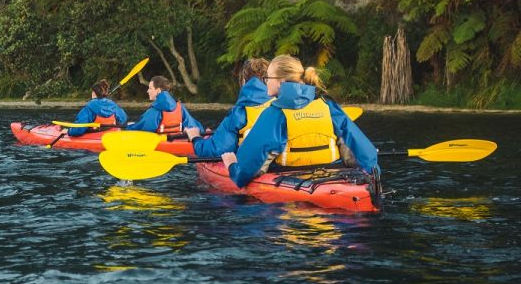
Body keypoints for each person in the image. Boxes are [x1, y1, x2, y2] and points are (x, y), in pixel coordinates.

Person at [221, 54, 379, 188]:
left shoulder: (274, 114)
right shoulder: (327, 105)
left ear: (281, 81)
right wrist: (373, 175)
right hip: (333, 177)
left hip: (289, 186)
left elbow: (245, 171)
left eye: (267, 77)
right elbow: (364, 149)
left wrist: (233, 167)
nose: (265, 81)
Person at [185, 58, 271, 158]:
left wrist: (196, 138)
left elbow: (216, 150)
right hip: (283, 167)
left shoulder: (239, 114)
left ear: (243, 81)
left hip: (249, 168)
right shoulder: (283, 108)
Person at [126, 75, 201, 133]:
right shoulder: (180, 107)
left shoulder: (154, 110)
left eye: (150, 88)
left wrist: (127, 127)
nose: (147, 91)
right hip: (176, 140)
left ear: (158, 90)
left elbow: (142, 128)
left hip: (161, 144)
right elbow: (192, 125)